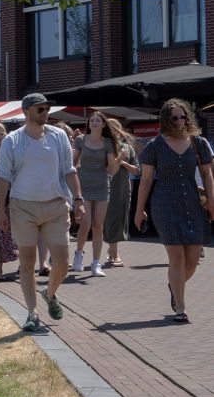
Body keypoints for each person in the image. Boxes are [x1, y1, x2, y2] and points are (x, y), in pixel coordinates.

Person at [0, 93, 84, 331]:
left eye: (46, 108)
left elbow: (69, 169)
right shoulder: (12, 141)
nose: (45, 113)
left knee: (63, 263)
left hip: (55, 204)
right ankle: (32, 313)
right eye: (40, 109)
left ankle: (50, 293)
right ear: (26, 112)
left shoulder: (58, 137)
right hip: (22, 206)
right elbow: (3, 177)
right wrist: (0, 211)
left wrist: (78, 199)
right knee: (27, 262)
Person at [134, 98, 214, 324]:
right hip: (164, 203)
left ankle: (174, 284)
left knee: (192, 258)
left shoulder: (199, 143)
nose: (179, 121)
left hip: (192, 202)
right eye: (174, 117)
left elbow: (208, 174)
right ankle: (180, 307)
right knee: (176, 256)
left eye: (183, 116)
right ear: (166, 120)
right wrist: (139, 210)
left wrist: (212, 200)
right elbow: (146, 179)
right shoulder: (154, 146)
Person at [71, 110, 121, 276]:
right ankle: (78, 254)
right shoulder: (80, 140)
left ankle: (95, 264)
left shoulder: (107, 143)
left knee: (98, 226)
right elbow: (73, 164)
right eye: (91, 120)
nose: (94, 122)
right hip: (84, 186)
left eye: (98, 120)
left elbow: (112, 170)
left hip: (101, 186)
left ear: (104, 124)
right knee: (85, 225)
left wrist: (119, 158)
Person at [102, 118, 140, 267]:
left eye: (116, 129)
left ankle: (112, 251)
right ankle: (114, 252)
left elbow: (137, 170)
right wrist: (120, 159)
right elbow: (106, 168)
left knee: (121, 217)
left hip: (123, 186)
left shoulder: (127, 148)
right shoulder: (104, 147)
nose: (114, 132)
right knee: (110, 217)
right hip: (107, 185)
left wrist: (124, 162)